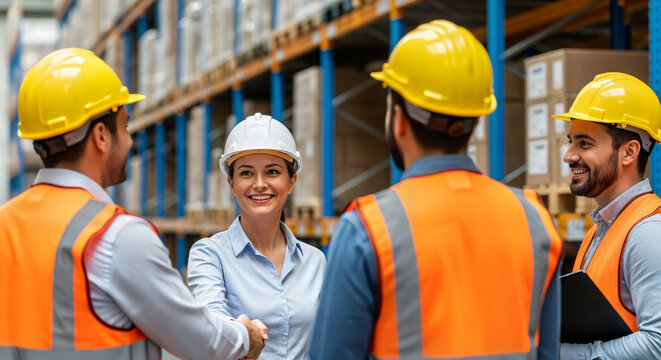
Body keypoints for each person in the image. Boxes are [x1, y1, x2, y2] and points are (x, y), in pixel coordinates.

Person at [309, 20, 564, 360]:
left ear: (398, 120)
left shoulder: (369, 229)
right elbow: (547, 352)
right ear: (474, 121)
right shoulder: (535, 219)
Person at [0, 48, 267, 360]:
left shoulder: (6, 222)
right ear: (101, 136)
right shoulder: (115, 237)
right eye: (125, 127)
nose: (129, 141)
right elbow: (200, 340)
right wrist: (246, 336)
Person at [187, 113, 326, 360]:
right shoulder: (209, 254)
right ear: (231, 183)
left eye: (272, 172)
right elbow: (212, 323)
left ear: (292, 181)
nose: (260, 184)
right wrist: (239, 331)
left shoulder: (315, 262)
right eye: (246, 173)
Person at [554, 72, 661, 359]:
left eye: (584, 143)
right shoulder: (599, 230)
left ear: (629, 152)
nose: (569, 156)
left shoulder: (648, 232)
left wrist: (566, 355)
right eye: (571, 141)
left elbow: (658, 343)